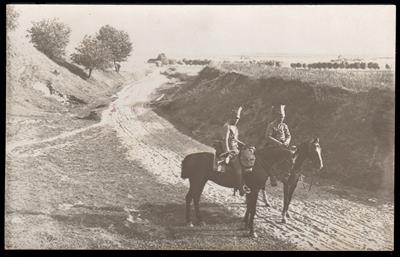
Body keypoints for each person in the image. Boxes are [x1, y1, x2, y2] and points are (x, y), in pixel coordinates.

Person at [217, 106, 250, 196]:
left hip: (236, 150)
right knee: (238, 168)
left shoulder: (235, 128)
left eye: (238, 118)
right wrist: (228, 152)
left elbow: (235, 139)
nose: (237, 120)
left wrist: (244, 144)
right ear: (231, 117)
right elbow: (225, 140)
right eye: (235, 118)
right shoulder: (226, 127)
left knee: (247, 161)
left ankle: (245, 182)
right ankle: (240, 188)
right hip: (228, 150)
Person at [263, 104, 291, 186]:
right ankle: (273, 176)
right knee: (272, 158)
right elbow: (268, 136)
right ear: (277, 116)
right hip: (273, 145)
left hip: (283, 145)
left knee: (290, 156)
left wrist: (286, 142)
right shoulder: (271, 125)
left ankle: (286, 174)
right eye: (280, 117)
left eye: (283, 117)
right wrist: (278, 143)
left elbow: (289, 135)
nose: (281, 119)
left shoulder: (284, 126)